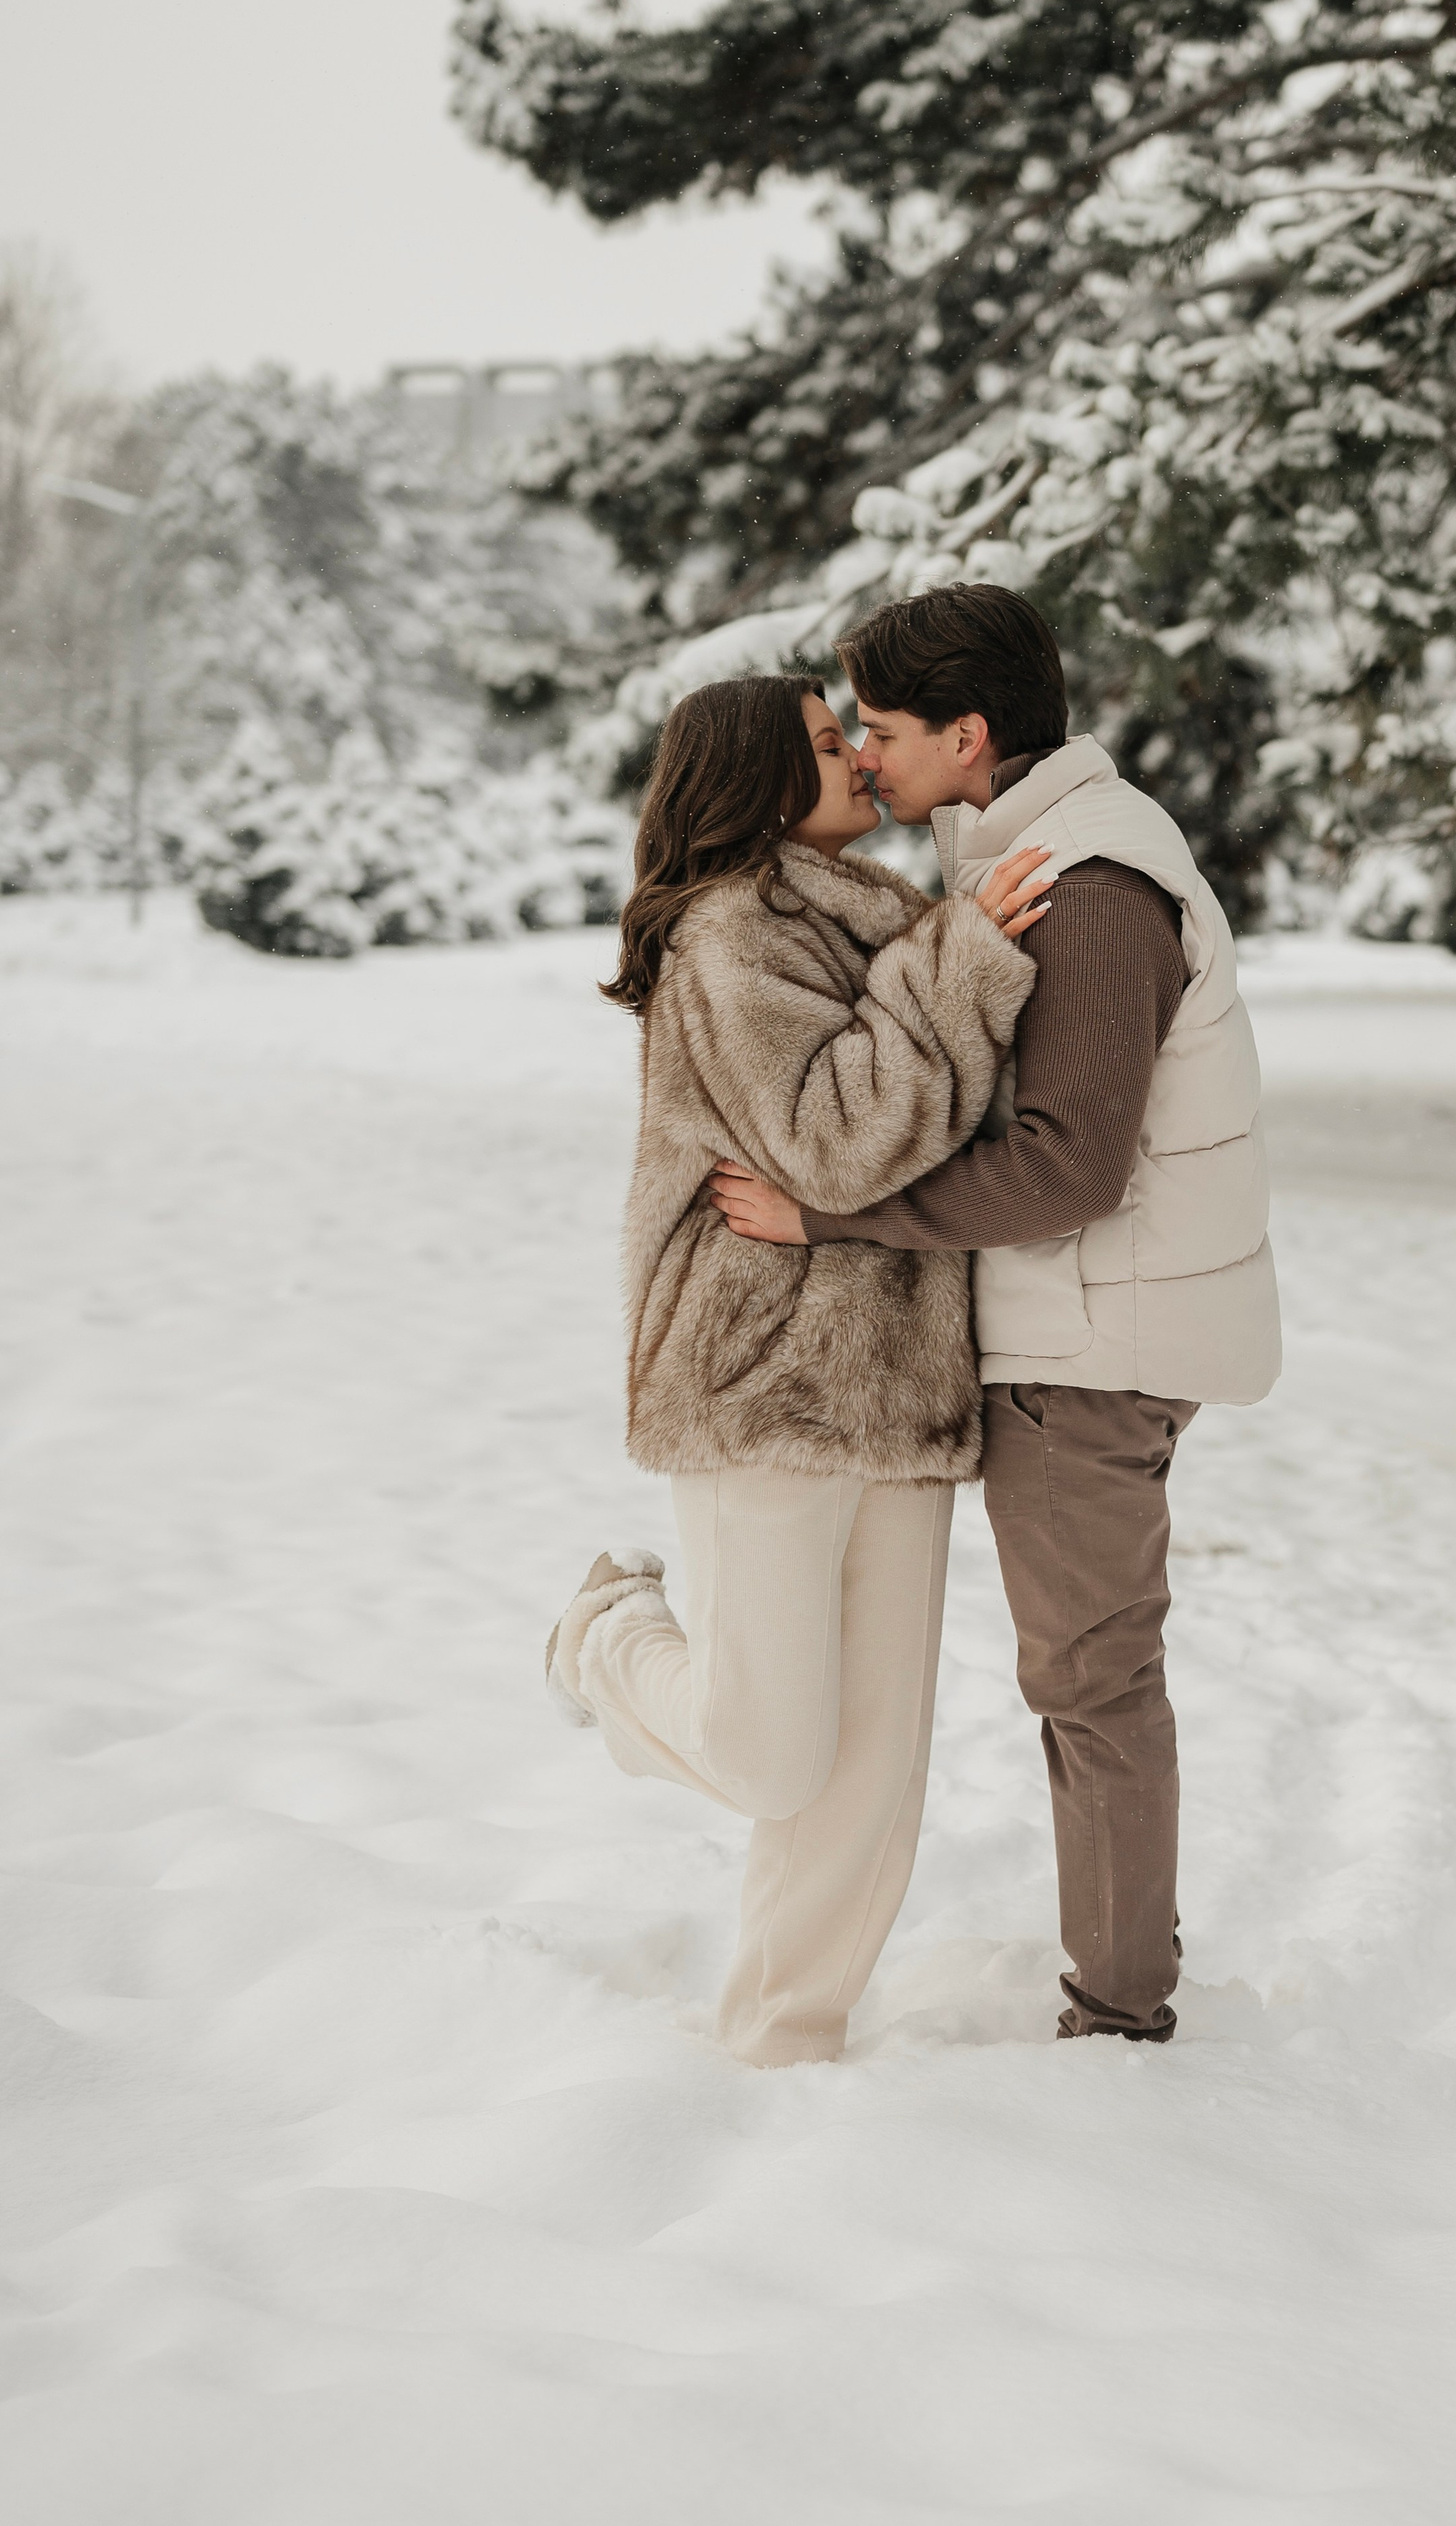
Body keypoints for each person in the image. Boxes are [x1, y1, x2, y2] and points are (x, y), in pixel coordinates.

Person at [713, 586, 1281, 2045]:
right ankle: (1121, 1974)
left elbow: (1066, 1167)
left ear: (969, 738)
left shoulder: (1090, 884)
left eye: (886, 733)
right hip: (1086, 1329)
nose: (865, 756)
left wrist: (830, 1215)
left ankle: (1118, 2013)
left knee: (1088, 1677)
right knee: (1087, 1672)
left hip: (1092, 1340)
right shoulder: (1041, 857)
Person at [546, 670, 1050, 2067]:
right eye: (828, 746)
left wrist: (946, 961)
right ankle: (600, 1638)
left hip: (901, 1375)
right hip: (759, 1366)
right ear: (761, 775)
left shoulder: (887, 919)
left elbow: (936, 1118)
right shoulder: (726, 938)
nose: (856, 764)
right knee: (770, 1746)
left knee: (870, 1767)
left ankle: (785, 2038)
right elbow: (832, 1136)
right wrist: (956, 969)